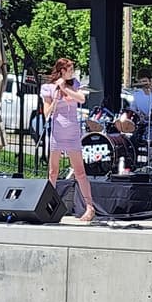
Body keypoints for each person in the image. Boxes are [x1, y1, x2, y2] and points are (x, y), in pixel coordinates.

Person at [41, 58, 95, 223]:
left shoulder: (74, 84)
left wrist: (65, 87)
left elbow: (81, 99)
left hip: (72, 131)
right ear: (62, 70)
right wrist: (57, 97)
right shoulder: (48, 88)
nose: (72, 72)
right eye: (69, 69)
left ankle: (89, 206)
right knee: (53, 171)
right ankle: (48, 204)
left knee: (79, 171)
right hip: (57, 131)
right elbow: (47, 113)